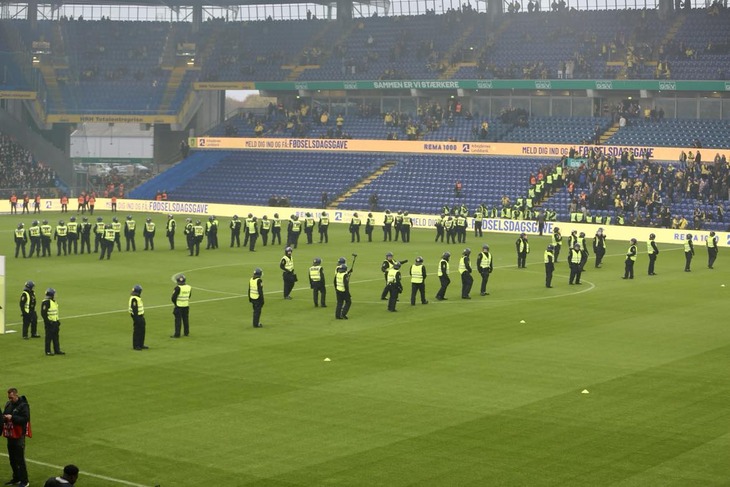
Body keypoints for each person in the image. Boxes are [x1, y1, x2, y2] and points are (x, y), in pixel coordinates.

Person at [3, 387, 31, 487]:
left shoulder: (23, 405)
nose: (10, 399)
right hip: (10, 435)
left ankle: (25, 481)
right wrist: (4, 418)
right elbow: (4, 415)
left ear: (16, 395)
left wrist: (12, 417)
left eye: (11, 397)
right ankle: (16, 478)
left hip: (19, 435)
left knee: (19, 459)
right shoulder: (8, 404)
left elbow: (26, 419)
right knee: (12, 459)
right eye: (9, 397)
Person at [41, 288, 64, 355]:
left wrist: (57, 321)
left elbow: (55, 313)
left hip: (55, 322)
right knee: (48, 338)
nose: (55, 295)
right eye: (54, 294)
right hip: (50, 323)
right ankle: (48, 351)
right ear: (51, 295)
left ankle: (57, 350)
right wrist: (49, 322)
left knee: (56, 337)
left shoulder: (53, 301)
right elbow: (43, 314)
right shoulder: (46, 302)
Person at [129, 284, 148, 350]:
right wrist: (136, 319)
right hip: (137, 317)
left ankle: (141, 344)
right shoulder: (134, 298)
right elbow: (134, 309)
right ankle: (136, 345)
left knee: (142, 331)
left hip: (141, 316)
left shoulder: (137, 297)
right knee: (137, 331)